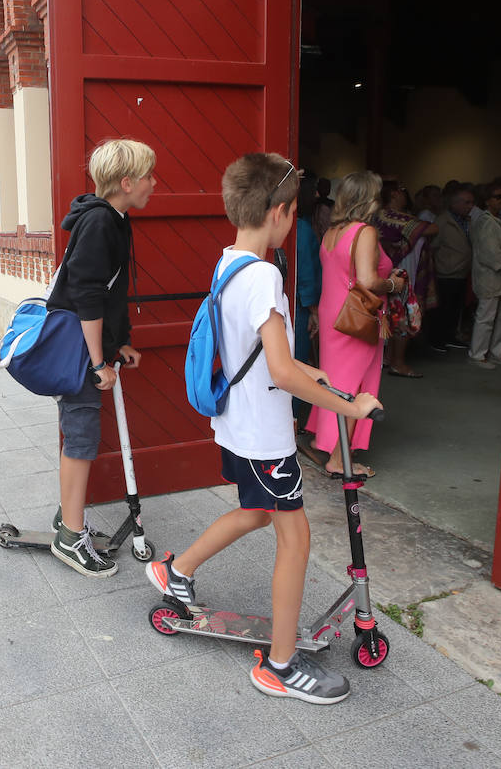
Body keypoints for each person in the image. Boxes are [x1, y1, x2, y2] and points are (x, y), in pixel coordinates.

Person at [147, 153, 381, 704]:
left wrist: (312, 371)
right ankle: (279, 665)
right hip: (263, 433)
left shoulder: (228, 261)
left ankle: (175, 571)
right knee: (295, 538)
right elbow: (278, 369)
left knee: (256, 510)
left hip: (235, 424)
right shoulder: (265, 274)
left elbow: (258, 351)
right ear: (279, 212)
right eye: (293, 211)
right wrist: (350, 407)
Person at [46, 138, 156, 577]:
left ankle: (66, 517)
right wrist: (98, 363)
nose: (154, 183)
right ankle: (71, 537)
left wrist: (120, 343)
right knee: (80, 439)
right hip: (76, 350)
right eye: (148, 176)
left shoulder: (114, 219)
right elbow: (86, 296)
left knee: (80, 436)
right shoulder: (101, 223)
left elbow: (112, 294)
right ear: (127, 182)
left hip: (86, 345)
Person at [303, 171, 406, 479]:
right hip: (356, 320)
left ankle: (325, 441)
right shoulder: (365, 232)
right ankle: (338, 459)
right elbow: (367, 281)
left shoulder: (331, 232)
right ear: (368, 200)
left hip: (333, 315)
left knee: (335, 383)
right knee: (354, 388)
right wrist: (393, 284)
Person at [375, 180, 437, 378]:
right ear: (393, 194)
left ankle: (389, 358)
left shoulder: (395, 218)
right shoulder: (388, 216)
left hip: (396, 270)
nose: (406, 195)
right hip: (398, 272)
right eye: (402, 190)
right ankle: (397, 362)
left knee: (393, 314)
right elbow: (431, 229)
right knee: (400, 315)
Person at [468, 184, 501, 369]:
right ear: (487, 200)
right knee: (486, 316)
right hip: (491, 277)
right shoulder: (485, 222)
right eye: (498, 196)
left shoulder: (497, 221)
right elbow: (490, 252)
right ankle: (478, 354)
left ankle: (496, 352)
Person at [292, 176, 322, 429]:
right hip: (297, 307)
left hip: (283, 304)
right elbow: (307, 274)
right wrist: (314, 310)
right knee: (297, 362)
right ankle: (291, 421)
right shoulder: (301, 228)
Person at [430, 184, 474, 352]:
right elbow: (432, 246)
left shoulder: (467, 221)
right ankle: (436, 340)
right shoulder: (442, 221)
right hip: (446, 273)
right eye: (467, 203)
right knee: (443, 309)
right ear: (455, 204)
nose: (470, 207)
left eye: (472, 203)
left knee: (455, 309)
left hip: (462, 272)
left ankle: (449, 337)